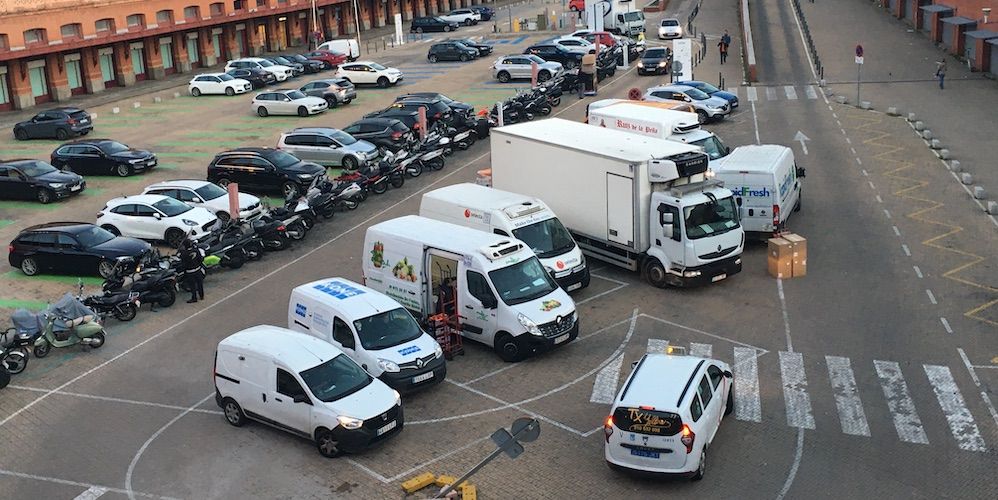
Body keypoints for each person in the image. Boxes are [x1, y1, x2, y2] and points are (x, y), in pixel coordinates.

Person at [181, 236, 206, 304]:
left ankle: (194, 298)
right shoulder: (196, 250)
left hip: (190, 272)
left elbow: (183, 264)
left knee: (192, 286)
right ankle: (201, 296)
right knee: (200, 284)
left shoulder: (184, 253)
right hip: (197, 270)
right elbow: (200, 259)